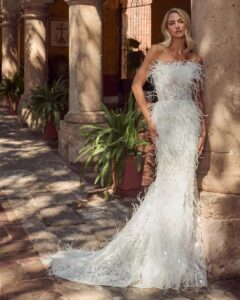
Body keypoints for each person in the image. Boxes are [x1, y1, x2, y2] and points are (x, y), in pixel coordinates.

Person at [46, 7, 208, 293]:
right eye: (171, 22)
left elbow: (198, 95)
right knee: (168, 182)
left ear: (187, 23)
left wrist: (204, 128)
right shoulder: (157, 50)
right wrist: (150, 119)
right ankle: (159, 254)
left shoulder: (195, 55)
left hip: (190, 123)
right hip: (166, 123)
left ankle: (179, 252)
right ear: (166, 27)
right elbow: (136, 86)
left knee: (184, 185)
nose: (176, 26)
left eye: (180, 20)